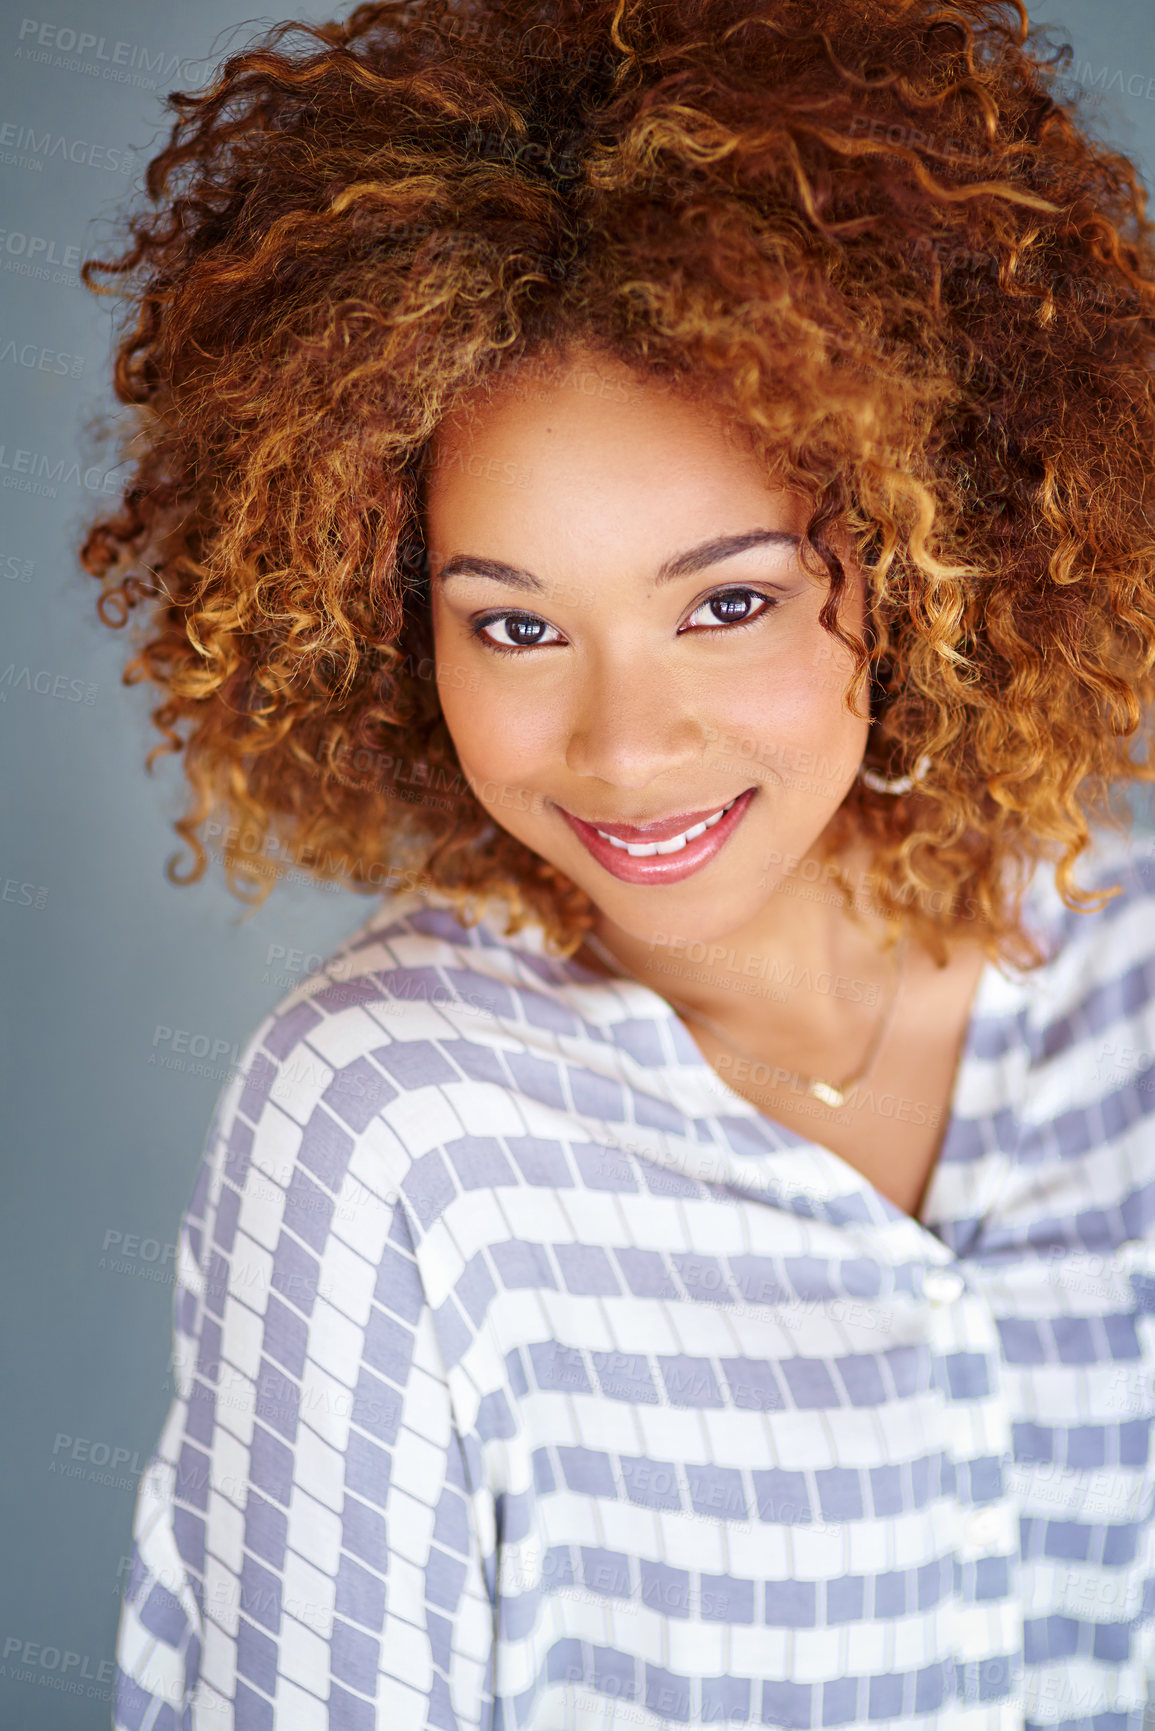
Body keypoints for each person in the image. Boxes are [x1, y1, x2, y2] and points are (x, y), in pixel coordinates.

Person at [79, 0, 1155, 1725]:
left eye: (728, 602)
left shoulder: (1131, 963)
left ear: (941, 547)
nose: (623, 744)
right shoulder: (385, 1129)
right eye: (512, 624)